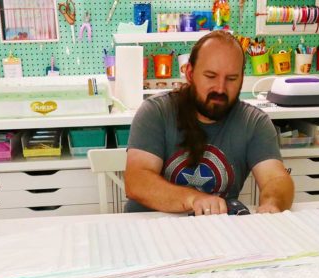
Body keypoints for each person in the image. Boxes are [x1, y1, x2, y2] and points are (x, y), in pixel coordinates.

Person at [124, 30, 294, 215]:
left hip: (214, 232)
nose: (220, 88)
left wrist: (272, 204)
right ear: (190, 73)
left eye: (231, 79)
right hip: (149, 229)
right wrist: (194, 199)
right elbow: (137, 181)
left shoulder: (254, 122)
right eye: (210, 76)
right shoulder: (155, 112)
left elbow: (276, 179)